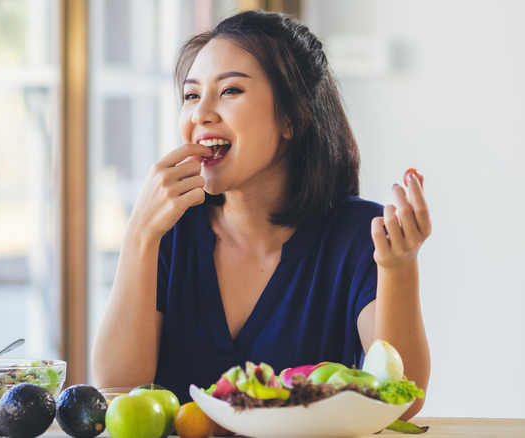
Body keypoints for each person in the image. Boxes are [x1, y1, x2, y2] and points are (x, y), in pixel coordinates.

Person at [91, 9, 431, 419]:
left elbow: (402, 403)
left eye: (230, 91)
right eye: (192, 95)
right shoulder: (169, 231)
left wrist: (399, 267)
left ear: (293, 116)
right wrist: (139, 236)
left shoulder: (359, 235)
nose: (200, 114)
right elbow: (116, 390)